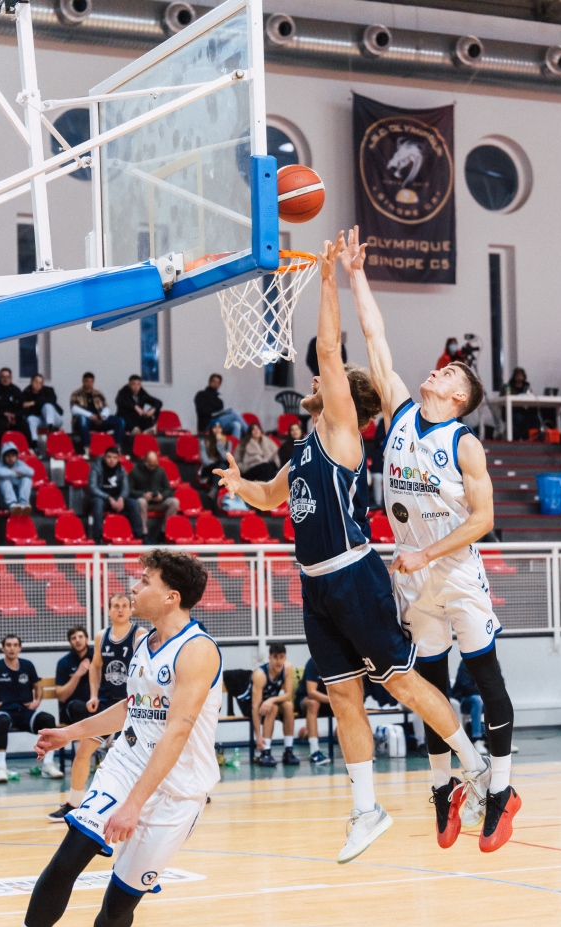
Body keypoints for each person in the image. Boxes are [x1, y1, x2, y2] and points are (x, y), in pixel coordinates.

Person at [214, 232, 491, 864]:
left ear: (347, 399)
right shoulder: (304, 448)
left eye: (327, 378)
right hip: (316, 584)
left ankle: (474, 772)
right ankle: (366, 809)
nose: (315, 375)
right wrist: (239, 485)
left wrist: (329, 279)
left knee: (397, 680)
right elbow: (268, 499)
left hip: (355, 573)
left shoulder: (341, 428)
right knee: (341, 694)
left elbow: (332, 349)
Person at [0, 551, 222, 927]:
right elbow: (133, 708)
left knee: (118, 904)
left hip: (177, 790)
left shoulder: (198, 650)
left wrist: (133, 807)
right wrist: (72, 733)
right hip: (126, 764)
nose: (134, 588)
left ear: (171, 596)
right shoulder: (143, 642)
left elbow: (176, 733)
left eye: (144, 580)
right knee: (74, 847)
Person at [341, 224, 519, 854]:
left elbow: (482, 521)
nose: (437, 372)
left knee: (487, 681)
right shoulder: (397, 410)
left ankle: (501, 789)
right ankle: (445, 790)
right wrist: (356, 273)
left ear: (460, 397)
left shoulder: (463, 443)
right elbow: (375, 337)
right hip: (414, 578)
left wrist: (425, 552)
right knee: (431, 691)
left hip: (454, 573)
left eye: (449, 374)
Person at [49, 596, 148, 824]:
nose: (121, 609)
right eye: (116, 606)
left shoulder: (139, 635)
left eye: (125, 605)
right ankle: (73, 803)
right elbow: (95, 667)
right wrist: (93, 695)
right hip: (106, 703)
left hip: (131, 705)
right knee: (84, 750)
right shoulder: (101, 636)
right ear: (109, 610)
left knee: (144, 754)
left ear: (131, 609)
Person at [0, 635, 63, 783]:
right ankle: (1, 767)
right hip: (3, 711)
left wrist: (37, 701)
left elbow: (38, 686)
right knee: (3, 720)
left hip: (25, 713)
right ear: (3, 648)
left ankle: (48, 764)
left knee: (48, 719)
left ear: (20, 648)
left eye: (14, 645)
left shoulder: (27, 665)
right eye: (8, 645)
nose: (12, 648)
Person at [48, 626, 95, 822]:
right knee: (77, 706)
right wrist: (78, 674)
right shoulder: (64, 662)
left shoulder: (97, 657)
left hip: (98, 710)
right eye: (74, 638)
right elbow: (61, 695)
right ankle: (88, 751)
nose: (77, 640)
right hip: (72, 714)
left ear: (87, 638)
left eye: (80, 637)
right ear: (70, 642)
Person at [236, 643, 299, 767]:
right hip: (249, 704)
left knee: (288, 705)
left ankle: (288, 751)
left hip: (268, 701)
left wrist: (270, 700)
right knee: (273, 707)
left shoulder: (288, 668)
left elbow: (288, 694)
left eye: (282, 657)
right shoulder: (260, 675)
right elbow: (255, 707)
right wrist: (258, 736)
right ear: (269, 657)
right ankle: (265, 752)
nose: (279, 661)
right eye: (275, 657)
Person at [87, 448, 142, 544]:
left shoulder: (121, 469)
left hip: (116, 499)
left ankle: (138, 537)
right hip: (101, 499)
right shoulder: (96, 468)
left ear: (118, 459)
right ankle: (97, 539)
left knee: (133, 503)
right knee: (98, 503)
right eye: (109, 457)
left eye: (114, 458)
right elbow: (93, 488)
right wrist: (109, 498)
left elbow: (126, 488)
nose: (111, 460)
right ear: (104, 457)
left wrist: (121, 498)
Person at [127, 449, 179, 540]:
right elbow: (129, 490)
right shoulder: (135, 472)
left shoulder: (160, 471)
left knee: (175, 502)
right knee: (140, 501)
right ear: (145, 462)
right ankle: (144, 533)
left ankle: (165, 531)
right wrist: (142, 494)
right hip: (145, 503)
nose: (153, 467)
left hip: (158, 501)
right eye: (150, 465)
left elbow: (168, 489)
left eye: (155, 464)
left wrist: (162, 496)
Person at [70, 373, 124, 453]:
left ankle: (116, 447)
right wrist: (90, 415)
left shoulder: (98, 394)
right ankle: (87, 448)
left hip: (99, 419)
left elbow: (106, 407)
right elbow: (74, 409)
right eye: (86, 381)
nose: (89, 384)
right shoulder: (76, 394)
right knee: (83, 419)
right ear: (82, 381)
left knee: (120, 421)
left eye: (91, 381)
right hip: (85, 421)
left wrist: (103, 416)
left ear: (93, 382)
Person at [0, 367, 31, 453]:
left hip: (13, 418)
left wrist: (14, 416)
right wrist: (4, 414)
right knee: (1, 424)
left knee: (24, 424)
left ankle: (29, 448)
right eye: (3, 377)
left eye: (7, 377)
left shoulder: (16, 390)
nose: (5, 379)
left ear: (11, 378)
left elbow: (23, 408)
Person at [294, 656, 332, 765]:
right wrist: (333, 700)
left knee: (350, 706)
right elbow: (311, 692)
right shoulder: (314, 662)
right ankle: (315, 752)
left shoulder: (337, 662)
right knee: (313, 704)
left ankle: (357, 749)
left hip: (327, 701)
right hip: (305, 699)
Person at [451, 661, 486, 755]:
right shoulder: (466, 663)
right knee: (477, 700)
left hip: (482, 697)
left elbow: (499, 683)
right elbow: (467, 688)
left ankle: (501, 738)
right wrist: (486, 690)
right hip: (463, 699)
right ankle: (476, 739)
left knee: (499, 700)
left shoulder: (492, 662)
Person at [0, 440, 34, 514]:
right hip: (1, 499)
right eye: (8, 456)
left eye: (13, 456)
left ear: (16, 456)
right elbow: (0, 473)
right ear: (3, 457)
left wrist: (13, 471)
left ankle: (23, 505)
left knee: (26, 479)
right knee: (4, 480)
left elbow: (31, 472)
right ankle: (13, 506)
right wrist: (15, 473)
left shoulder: (19, 463)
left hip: (16, 493)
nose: (11, 458)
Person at [500, 367, 541, 441]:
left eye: (521, 376)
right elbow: (503, 398)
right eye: (517, 376)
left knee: (535, 417)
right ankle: (515, 438)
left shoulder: (526, 386)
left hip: (525, 410)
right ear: (514, 377)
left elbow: (530, 396)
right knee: (519, 418)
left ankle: (534, 437)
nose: (519, 378)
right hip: (513, 411)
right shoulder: (508, 387)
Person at [21, 374, 63, 443]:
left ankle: (50, 428)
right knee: (30, 418)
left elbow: (52, 399)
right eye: (36, 382)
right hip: (41, 419)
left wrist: (33, 403)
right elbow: (26, 409)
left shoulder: (48, 390)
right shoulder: (26, 393)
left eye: (40, 383)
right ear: (31, 382)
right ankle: (34, 442)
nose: (38, 384)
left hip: (55, 419)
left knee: (47, 406)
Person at [198, 423, 230, 491]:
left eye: (219, 427)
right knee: (221, 466)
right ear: (211, 429)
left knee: (222, 466)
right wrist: (217, 463)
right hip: (209, 469)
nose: (217, 430)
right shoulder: (204, 442)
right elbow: (205, 461)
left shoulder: (228, 443)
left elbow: (226, 458)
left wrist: (219, 443)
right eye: (215, 427)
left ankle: (214, 490)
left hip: (222, 471)